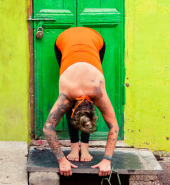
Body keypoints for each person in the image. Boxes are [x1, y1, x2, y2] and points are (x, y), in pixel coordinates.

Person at [42, 27, 119, 177]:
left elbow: (48, 127)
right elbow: (47, 128)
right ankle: (73, 147)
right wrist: (62, 160)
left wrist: (107, 160)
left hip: (95, 40)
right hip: (64, 40)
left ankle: (84, 148)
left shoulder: (98, 91)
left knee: (78, 116)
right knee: (68, 105)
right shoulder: (67, 95)